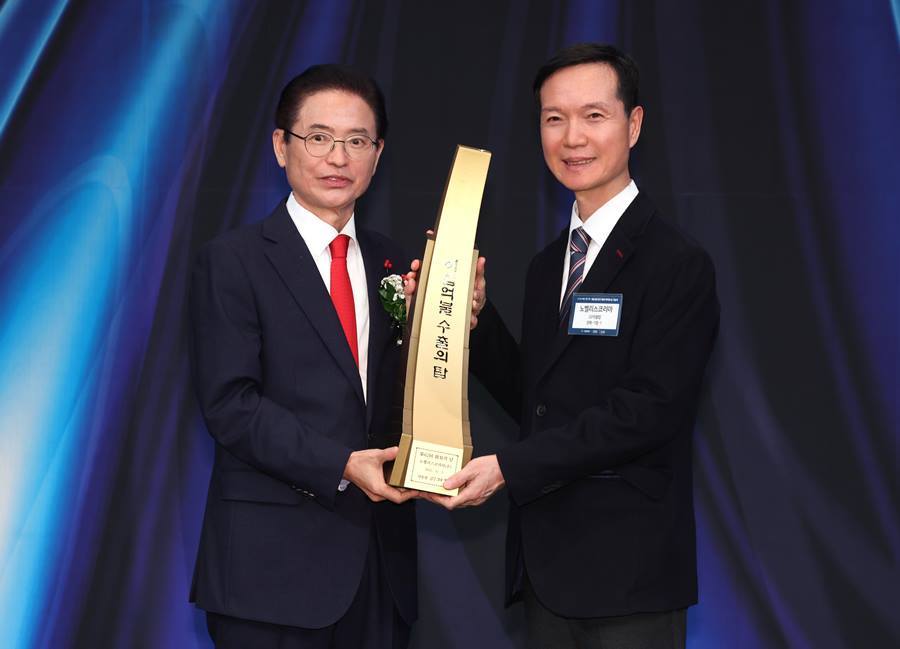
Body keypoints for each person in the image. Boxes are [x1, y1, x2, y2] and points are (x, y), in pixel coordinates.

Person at [425, 43, 720, 648]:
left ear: (633, 125)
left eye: (593, 115)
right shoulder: (547, 266)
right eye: (554, 118)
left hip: (629, 575)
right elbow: (537, 398)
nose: (572, 138)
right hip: (547, 570)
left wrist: (509, 468)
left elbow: (647, 411)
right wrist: (472, 323)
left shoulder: (677, 263)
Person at [189, 64, 419, 649]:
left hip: (380, 571)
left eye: (357, 141)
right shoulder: (233, 261)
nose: (338, 158)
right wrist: (342, 463)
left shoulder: (398, 265)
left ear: (378, 155)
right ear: (281, 146)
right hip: (269, 576)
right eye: (319, 137)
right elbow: (230, 406)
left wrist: (457, 322)